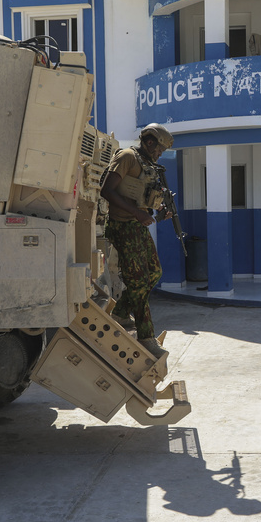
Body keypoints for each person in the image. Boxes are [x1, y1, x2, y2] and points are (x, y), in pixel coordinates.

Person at [100, 123, 175, 358]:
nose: (159, 154)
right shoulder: (127, 157)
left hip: (136, 226)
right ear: (149, 141)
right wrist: (137, 213)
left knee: (154, 273)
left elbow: (140, 198)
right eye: (158, 149)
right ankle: (146, 337)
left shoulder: (148, 165)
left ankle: (121, 312)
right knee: (139, 283)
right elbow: (107, 190)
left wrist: (158, 210)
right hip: (122, 227)